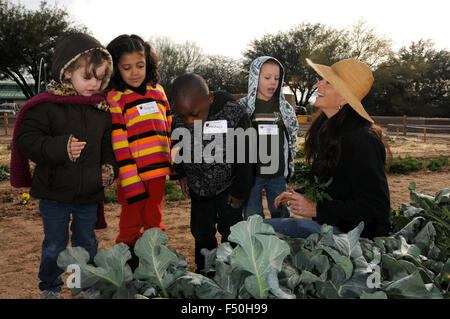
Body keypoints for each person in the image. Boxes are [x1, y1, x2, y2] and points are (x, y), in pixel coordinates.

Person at [10, 33, 118, 299]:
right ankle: (50, 285)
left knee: (86, 244)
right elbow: (27, 140)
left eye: (100, 77)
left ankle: (83, 282)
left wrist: (108, 168)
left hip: (89, 194)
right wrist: (62, 147)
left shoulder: (101, 110)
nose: (95, 83)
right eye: (88, 76)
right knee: (55, 246)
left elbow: (107, 146)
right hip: (54, 194)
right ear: (68, 72)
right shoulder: (46, 106)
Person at [265, 58, 392, 240]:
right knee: (258, 229)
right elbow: (334, 188)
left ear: (343, 98)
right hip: (332, 227)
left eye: (328, 83)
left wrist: (316, 209)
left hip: (353, 239)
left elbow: (375, 208)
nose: (318, 85)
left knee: (258, 230)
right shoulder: (330, 132)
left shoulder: (363, 141)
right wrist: (300, 194)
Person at [170, 73, 253, 274]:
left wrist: (241, 189)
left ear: (210, 99)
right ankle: (205, 272)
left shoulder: (233, 113)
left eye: (195, 114)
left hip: (229, 188)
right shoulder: (179, 120)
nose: (189, 121)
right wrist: (181, 174)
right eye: (183, 115)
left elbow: (247, 154)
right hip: (199, 189)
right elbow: (177, 148)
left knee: (231, 233)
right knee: (201, 233)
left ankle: (232, 272)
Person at [106, 34, 172, 271]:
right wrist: (129, 176)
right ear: (115, 69)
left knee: (154, 220)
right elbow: (118, 139)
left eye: (140, 65)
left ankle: (156, 268)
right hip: (132, 175)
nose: (135, 72)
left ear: (149, 64)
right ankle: (126, 269)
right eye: (127, 67)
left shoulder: (159, 92)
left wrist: (174, 165)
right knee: (131, 223)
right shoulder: (116, 98)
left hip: (158, 173)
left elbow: (169, 127)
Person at [238, 56, 299, 219]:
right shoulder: (243, 108)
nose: (273, 82)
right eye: (267, 78)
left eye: (277, 78)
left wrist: (288, 166)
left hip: (277, 173)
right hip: (253, 175)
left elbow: (291, 138)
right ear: (254, 77)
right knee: (252, 213)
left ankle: (283, 242)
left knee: (281, 213)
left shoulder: (284, 108)